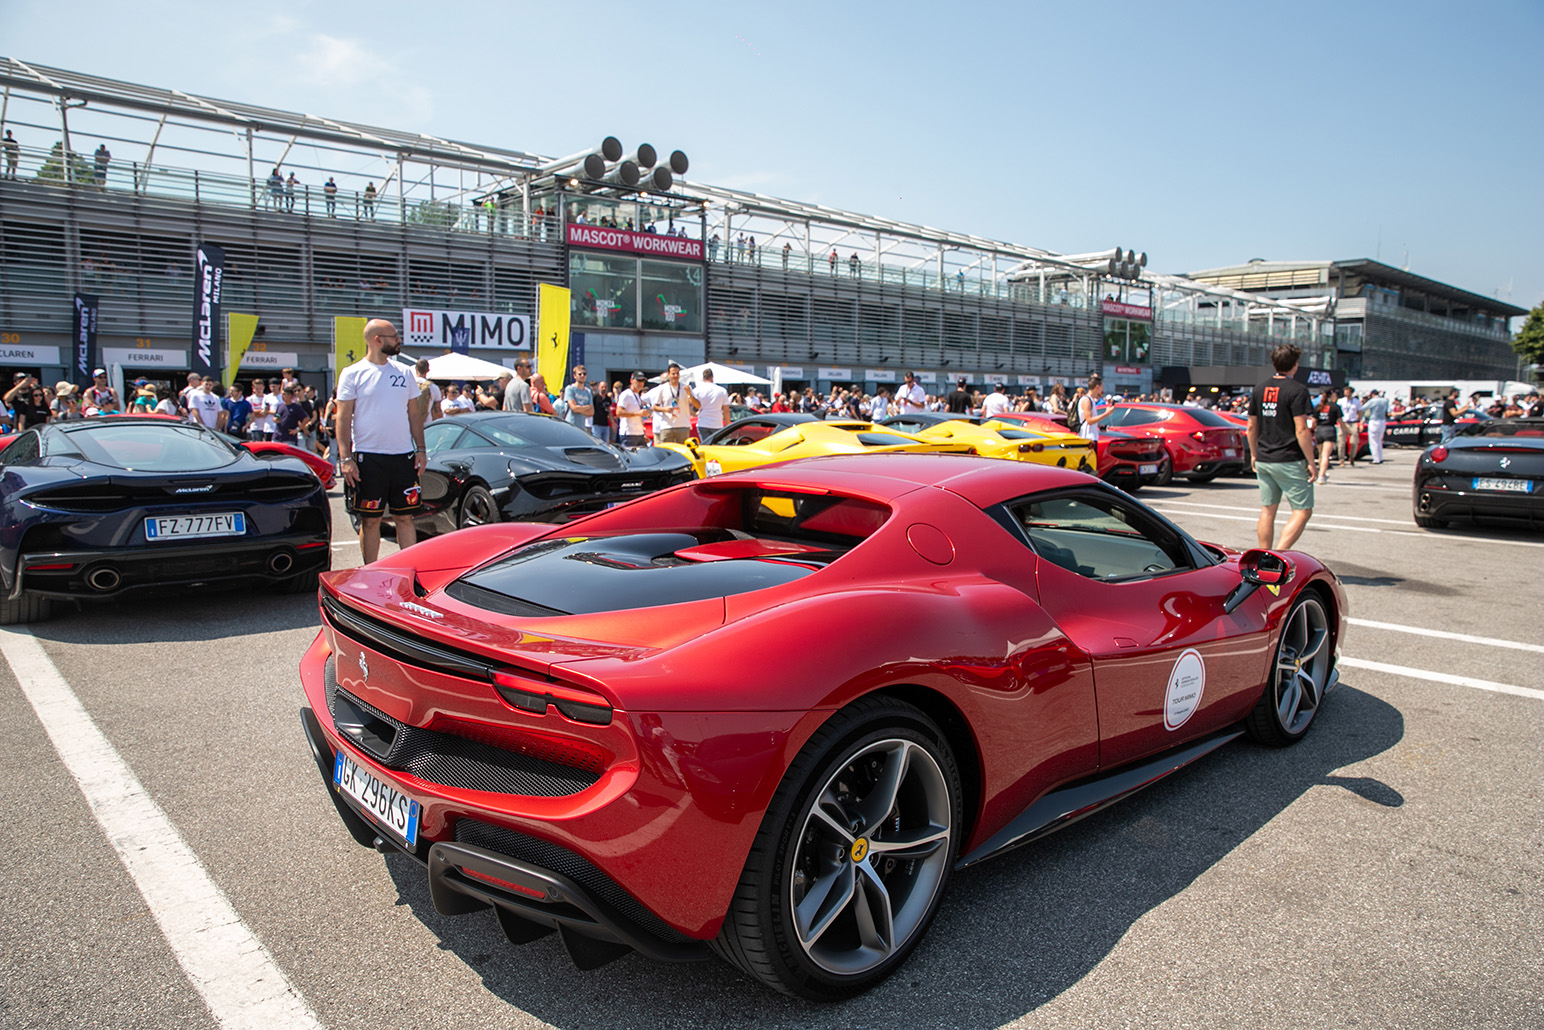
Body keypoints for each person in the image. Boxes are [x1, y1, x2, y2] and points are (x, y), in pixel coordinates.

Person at [336, 318, 427, 565]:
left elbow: (414, 414)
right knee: (371, 520)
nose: (399, 340)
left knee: (405, 517)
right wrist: (345, 459)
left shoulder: (404, 372)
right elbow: (342, 419)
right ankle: (370, 571)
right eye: (394, 336)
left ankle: (409, 569)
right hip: (368, 457)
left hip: (403, 456)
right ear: (377, 340)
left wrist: (421, 449)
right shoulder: (352, 373)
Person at [1247, 344, 1317, 550]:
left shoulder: (1259, 388)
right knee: (1303, 511)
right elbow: (1301, 429)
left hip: (1264, 457)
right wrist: (1311, 461)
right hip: (1289, 458)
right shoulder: (1297, 390)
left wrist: (1254, 454)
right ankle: (1279, 553)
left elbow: (1251, 426)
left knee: (1268, 510)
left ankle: (1264, 554)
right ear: (1295, 365)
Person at [646, 362, 694, 444]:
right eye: (673, 374)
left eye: (677, 373)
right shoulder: (662, 388)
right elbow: (655, 407)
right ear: (669, 375)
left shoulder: (686, 388)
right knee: (666, 450)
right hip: (667, 426)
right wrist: (665, 409)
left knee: (682, 450)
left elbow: (697, 405)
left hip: (683, 426)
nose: (676, 376)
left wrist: (689, 394)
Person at [1311, 391, 1340, 484]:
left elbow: (1313, 421)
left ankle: (1321, 473)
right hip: (1329, 430)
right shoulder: (1335, 406)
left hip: (1319, 430)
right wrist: (1346, 430)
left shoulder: (1318, 406)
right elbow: (1340, 420)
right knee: (1325, 455)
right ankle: (1322, 476)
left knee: (1320, 454)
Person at [691, 367, 730, 438]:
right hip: (717, 423)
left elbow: (691, 404)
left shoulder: (697, 390)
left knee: (705, 443)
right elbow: (726, 411)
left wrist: (694, 414)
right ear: (712, 377)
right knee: (716, 444)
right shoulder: (722, 391)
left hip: (703, 423)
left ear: (703, 378)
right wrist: (728, 426)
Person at [1074, 374, 1113, 444]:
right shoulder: (1087, 400)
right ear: (1097, 387)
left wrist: (1099, 426)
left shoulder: (1091, 400)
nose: (1102, 389)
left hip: (1091, 437)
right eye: (1102, 386)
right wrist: (1106, 413)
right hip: (1087, 438)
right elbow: (1089, 420)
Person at [615, 372, 649, 448]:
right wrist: (637, 413)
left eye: (642, 381)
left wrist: (643, 433)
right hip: (628, 434)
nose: (641, 383)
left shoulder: (637, 396)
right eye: (638, 380)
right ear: (631, 381)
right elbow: (619, 412)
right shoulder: (626, 394)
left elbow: (639, 417)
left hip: (639, 433)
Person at [562, 365, 595, 432]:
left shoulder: (588, 391)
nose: (582, 376)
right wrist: (587, 407)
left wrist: (579, 408)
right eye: (580, 374)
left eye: (584, 374)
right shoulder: (570, 389)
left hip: (582, 428)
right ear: (574, 376)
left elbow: (591, 412)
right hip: (570, 426)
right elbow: (574, 408)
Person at [1337, 386, 1362, 467]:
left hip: (1353, 422)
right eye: (1345, 391)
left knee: (1354, 442)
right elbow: (1337, 411)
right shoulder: (1341, 401)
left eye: (1347, 392)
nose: (1346, 393)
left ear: (1351, 392)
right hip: (1343, 422)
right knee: (1341, 442)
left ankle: (1352, 457)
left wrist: (1360, 422)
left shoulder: (1356, 401)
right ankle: (1341, 460)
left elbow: (1360, 412)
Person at [1362, 389, 1389, 464]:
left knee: (1373, 441)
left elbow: (1363, 408)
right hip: (1382, 421)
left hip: (1374, 421)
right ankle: (1380, 458)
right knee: (1379, 441)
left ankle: (1376, 459)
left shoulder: (1372, 401)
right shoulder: (1385, 401)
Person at [413, 358, 442, 423]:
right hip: (426, 423)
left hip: (409, 423)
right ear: (428, 370)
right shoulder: (433, 387)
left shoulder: (409, 384)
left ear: (416, 369)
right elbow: (437, 410)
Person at [590, 379, 613, 444]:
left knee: (606, 444)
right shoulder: (595, 397)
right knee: (597, 443)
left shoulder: (608, 399)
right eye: (602, 387)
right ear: (599, 387)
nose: (604, 389)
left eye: (605, 387)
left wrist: (613, 423)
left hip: (606, 425)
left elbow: (609, 411)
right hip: (597, 425)